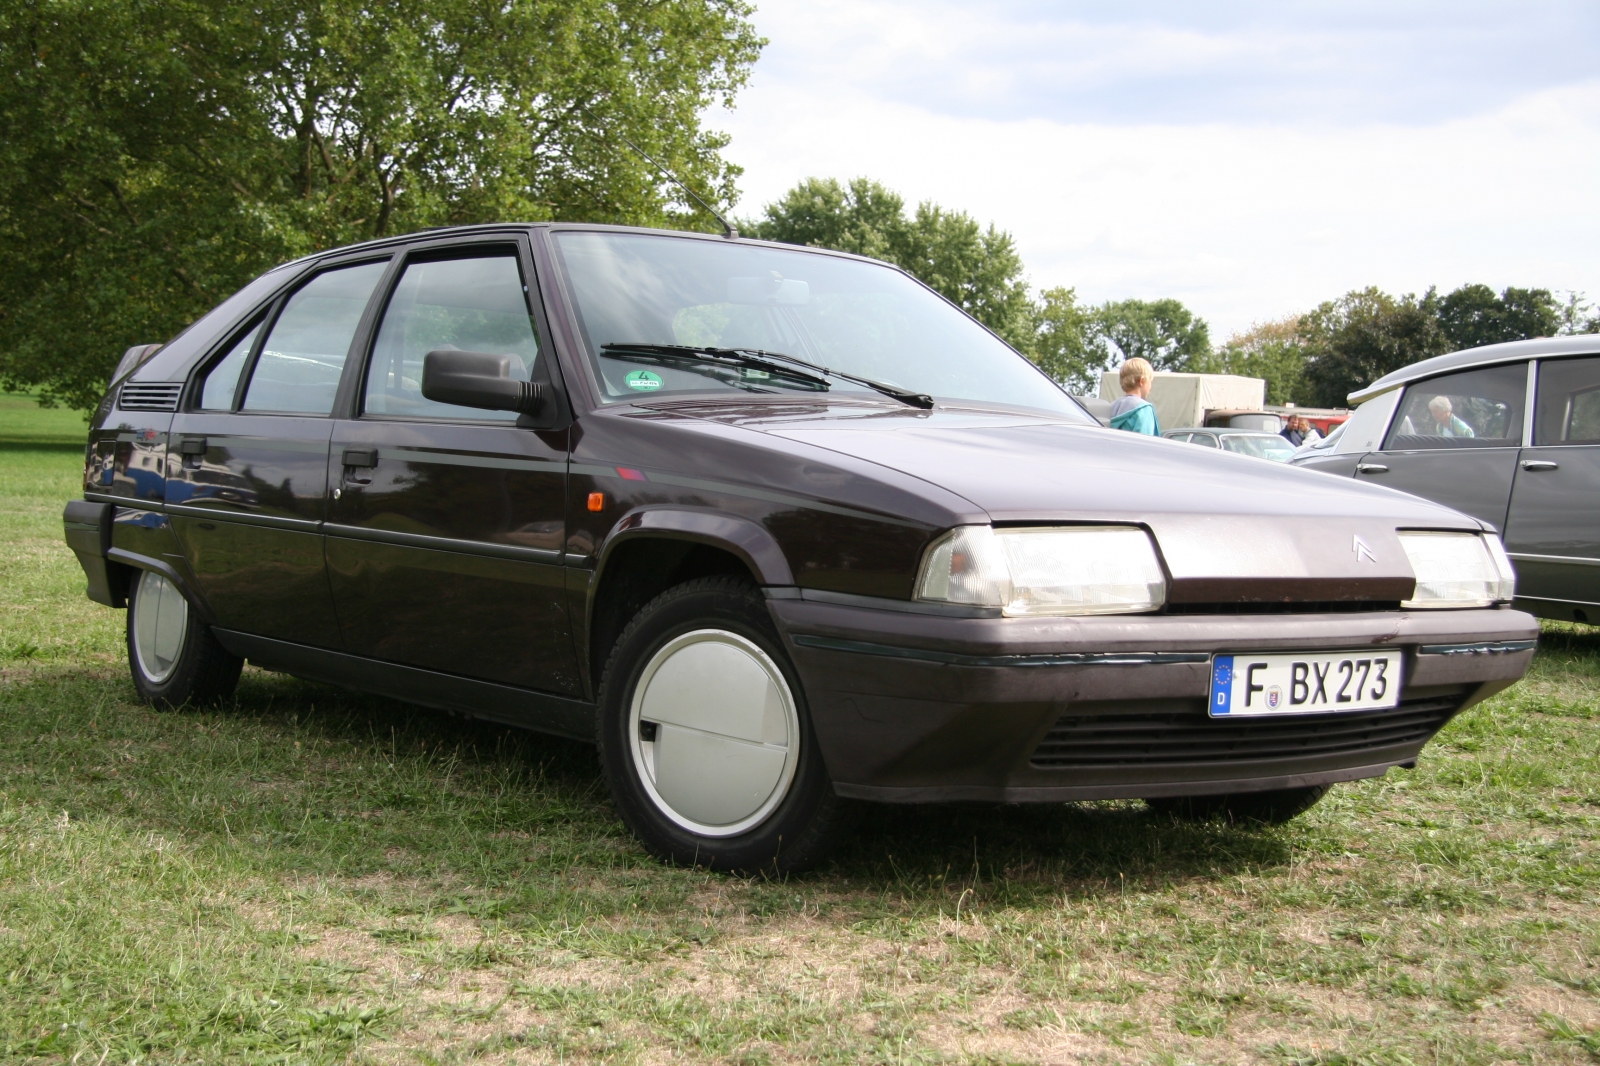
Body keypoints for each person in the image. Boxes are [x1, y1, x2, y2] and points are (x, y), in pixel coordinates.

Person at [1109, 358, 1160, 435]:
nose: (1151, 387)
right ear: (1141, 381)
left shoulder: (1112, 407)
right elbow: (1145, 442)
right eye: (1150, 381)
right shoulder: (1144, 409)